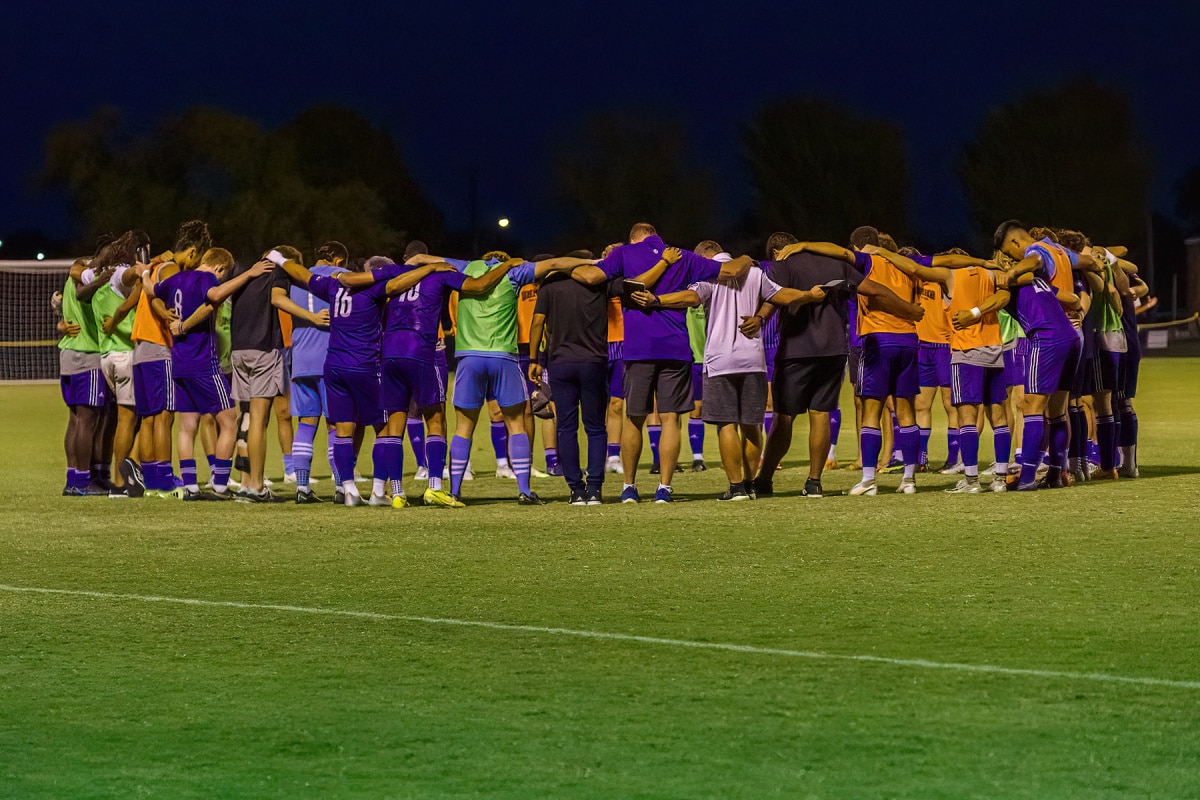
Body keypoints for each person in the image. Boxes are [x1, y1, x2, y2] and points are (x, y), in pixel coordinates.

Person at [573, 223, 753, 504]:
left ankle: (629, 488)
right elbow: (730, 271)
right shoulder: (683, 255)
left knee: (635, 418)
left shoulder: (624, 254)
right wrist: (747, 258)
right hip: (676, 347)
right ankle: (664, 488)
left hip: (638, 348)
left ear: (633, 237)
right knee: (671, 419)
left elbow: (592, 276)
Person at [633, 245, 826, 501]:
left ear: (704, 256)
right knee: (751, 425)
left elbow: (690, 298)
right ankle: (750, 483)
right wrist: (810, 295)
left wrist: (658, 301)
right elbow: (782, 295)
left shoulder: (709, 274)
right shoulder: (755, 274)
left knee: (726, 424)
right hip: (752, 359)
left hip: (720, 360)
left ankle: (736, 488)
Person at [337, 249, 529, 507]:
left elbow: (352, 283)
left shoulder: (393, 274)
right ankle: (435, 488)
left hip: (390, 352)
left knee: (395, 424)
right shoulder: (440, 274)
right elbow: (478, 285)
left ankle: (396, 493)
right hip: (421, 350)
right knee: (435, 418)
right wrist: (506, 266)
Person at [270, 250, 445, 506]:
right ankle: (377, 491)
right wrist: (427, 269)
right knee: (385, 429)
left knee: (342, 430)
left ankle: (348, 489)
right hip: (365, 366)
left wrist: (280, 260)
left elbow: (303, 274)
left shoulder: (331, 286)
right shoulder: (374, 291)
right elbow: (396, 283)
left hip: (334, 366)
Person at [754, 232, 920, 497]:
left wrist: (759, 318)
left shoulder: (782, 266)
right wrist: (907, 309)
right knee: (820, 414)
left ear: (777, 251)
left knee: (783, 417)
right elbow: (875, 289)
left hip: (796, 350)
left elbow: (773, 298)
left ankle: (764, 479)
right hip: (833, 350)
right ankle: (813, 482)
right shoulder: (837, 264)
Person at [446, 252, 598, 504]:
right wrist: (594, 264)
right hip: (503, 357)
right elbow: (554, 263)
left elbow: (425, 261)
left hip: (469, 358)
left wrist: (410, 264)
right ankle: (524, 491)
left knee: (464, 427)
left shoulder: (465, 267)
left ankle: (454, 491)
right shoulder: (514, 272)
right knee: (516, 423)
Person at [147, 248, 266, 499]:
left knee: (187, 425)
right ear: (219, 268)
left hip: (179, 362)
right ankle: (220, 484)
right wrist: (249, 274)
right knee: (229, 420)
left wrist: (143, 272)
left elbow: (152, 291)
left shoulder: (176, 278)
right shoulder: (207, 278)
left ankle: (190, 485)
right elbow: (214, 296)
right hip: (203, 361)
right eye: (224, 275)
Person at [994, 220, 1100, 490]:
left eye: (1010, 252)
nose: (1011, 257)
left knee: (1031, 407)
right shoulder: (1060, 252)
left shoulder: (1035, 253)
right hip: (1071, 333)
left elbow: (1031, 262)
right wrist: (1098, 264)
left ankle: (1027, 478)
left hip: (1046, 335)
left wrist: (1013, 272)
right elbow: (1087, 266)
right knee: (1057, 411)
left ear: (1017, 243)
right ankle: (1056, 473)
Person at [123, 220, 213, 497]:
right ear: (193, 252)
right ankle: (163, 477)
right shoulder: (172, 268)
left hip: (141, 349)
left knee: (149, 418)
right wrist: (166, 314)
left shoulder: (156, 267)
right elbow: (156, 300)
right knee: (164, 416)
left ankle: (151, 477)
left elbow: (139, 287)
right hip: (159, 347)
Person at [528, 268, 611, 504]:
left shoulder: (550, 287)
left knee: (566, 427)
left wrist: (534, 359)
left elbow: (537, 323)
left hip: (560, 363)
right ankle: (594, 488)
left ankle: (575, 489)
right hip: (593, 362)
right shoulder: (598, 284)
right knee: (595, 428)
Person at [227, 241, 295, 501]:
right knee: (258, 419)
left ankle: (245, 484)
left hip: (238, 350)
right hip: (264, 349)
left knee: (244, 417)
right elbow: (279, 299)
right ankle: (256, 485)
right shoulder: (277, 273)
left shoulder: (244, 272)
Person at [282, 242, 344, 502]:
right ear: (339, 260)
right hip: (329, 358)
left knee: (306, 424)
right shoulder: (340, 277)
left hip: (301, 361)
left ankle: (302, 488)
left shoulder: (296, 278)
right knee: (335, 425)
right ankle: (342, 487)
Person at [945, 262, 1012, 492]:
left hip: (965, 353)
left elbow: (918, 268)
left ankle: (972, 481)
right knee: (998, 414)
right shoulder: (991, 277)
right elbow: (1005, 295)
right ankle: (1000, 480)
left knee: (967, 416)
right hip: (993, 350)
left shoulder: (950, 277)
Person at [58, 252, 111, 496]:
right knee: (87, 421)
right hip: (86, 353)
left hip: (69, 354)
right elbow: (79, 279)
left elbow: (66, 303)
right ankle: (81, 482)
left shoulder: (76, 275)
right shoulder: (85, 273)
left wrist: (60, 321)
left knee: (77, 420)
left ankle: (74, 479)